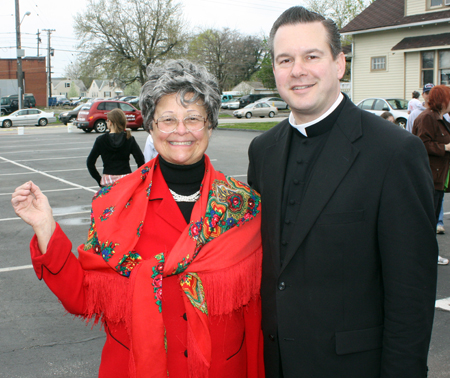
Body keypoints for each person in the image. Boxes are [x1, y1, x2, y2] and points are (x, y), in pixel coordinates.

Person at [11, 60, 265, 378]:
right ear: (151, 127)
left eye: (193, 119)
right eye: (168, 119)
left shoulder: (244, 207)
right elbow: (83, 295)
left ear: (210, 125)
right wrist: (45, 226)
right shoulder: (113, 204)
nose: (181, 130)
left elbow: (260, 312)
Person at [247, 6, 438, 378]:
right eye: (285, 59)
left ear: (339, 64)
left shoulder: (393, 152)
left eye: (311, 56)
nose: (297, 70)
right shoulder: (263, 150)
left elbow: (411, 295)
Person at [412, 85, 450, 265]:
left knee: (432, 218)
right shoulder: (428, 117)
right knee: (428, 219)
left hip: (438, 177)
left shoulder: (440, 118)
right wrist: (445, 147)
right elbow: (422, 144)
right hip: (429, 177)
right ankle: (426, 255)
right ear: (443, 100)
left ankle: (426, 254)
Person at [86, 108, 145, 187]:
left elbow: (90, 162)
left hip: (107, 180)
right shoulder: (129, 138)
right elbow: (140, 160)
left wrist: (99, 179)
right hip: (126, 179)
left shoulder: (101, 140)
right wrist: (137, 178)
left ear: (110, 122)